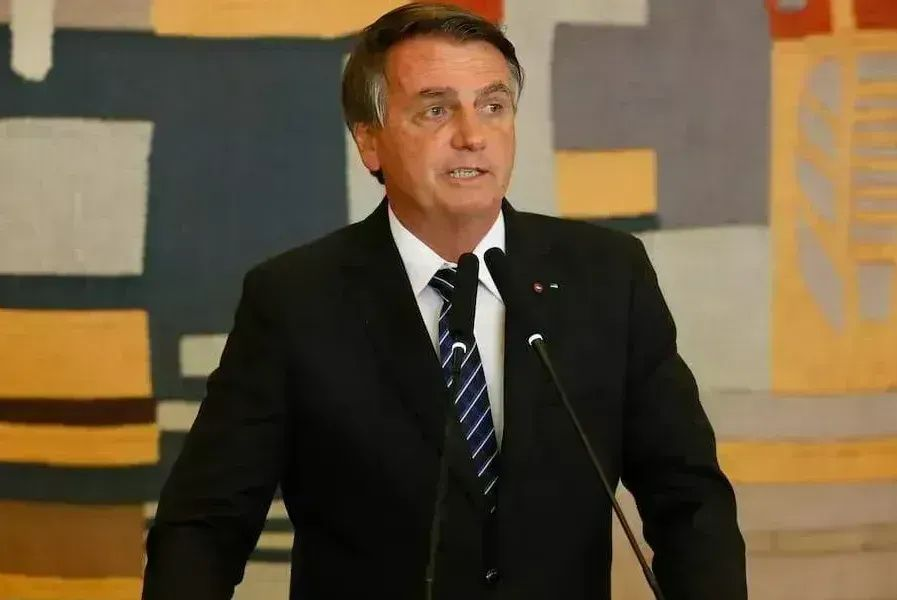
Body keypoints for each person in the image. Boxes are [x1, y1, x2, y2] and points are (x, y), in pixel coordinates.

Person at [142, 4, 747, 599]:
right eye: (436, 110)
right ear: (369, 141)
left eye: (493, 106)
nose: (472, 136)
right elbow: (204, 525)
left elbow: (688, 498)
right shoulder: (294, 300)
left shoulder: (608, 275)